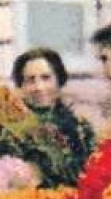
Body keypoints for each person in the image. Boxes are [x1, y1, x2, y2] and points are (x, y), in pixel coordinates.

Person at [9, 47, 96, 181]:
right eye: (30, 80)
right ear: (21, 86)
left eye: (46, 78)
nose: (39, 87)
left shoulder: (81, 128)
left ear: (59, 80)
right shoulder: (10, 133)